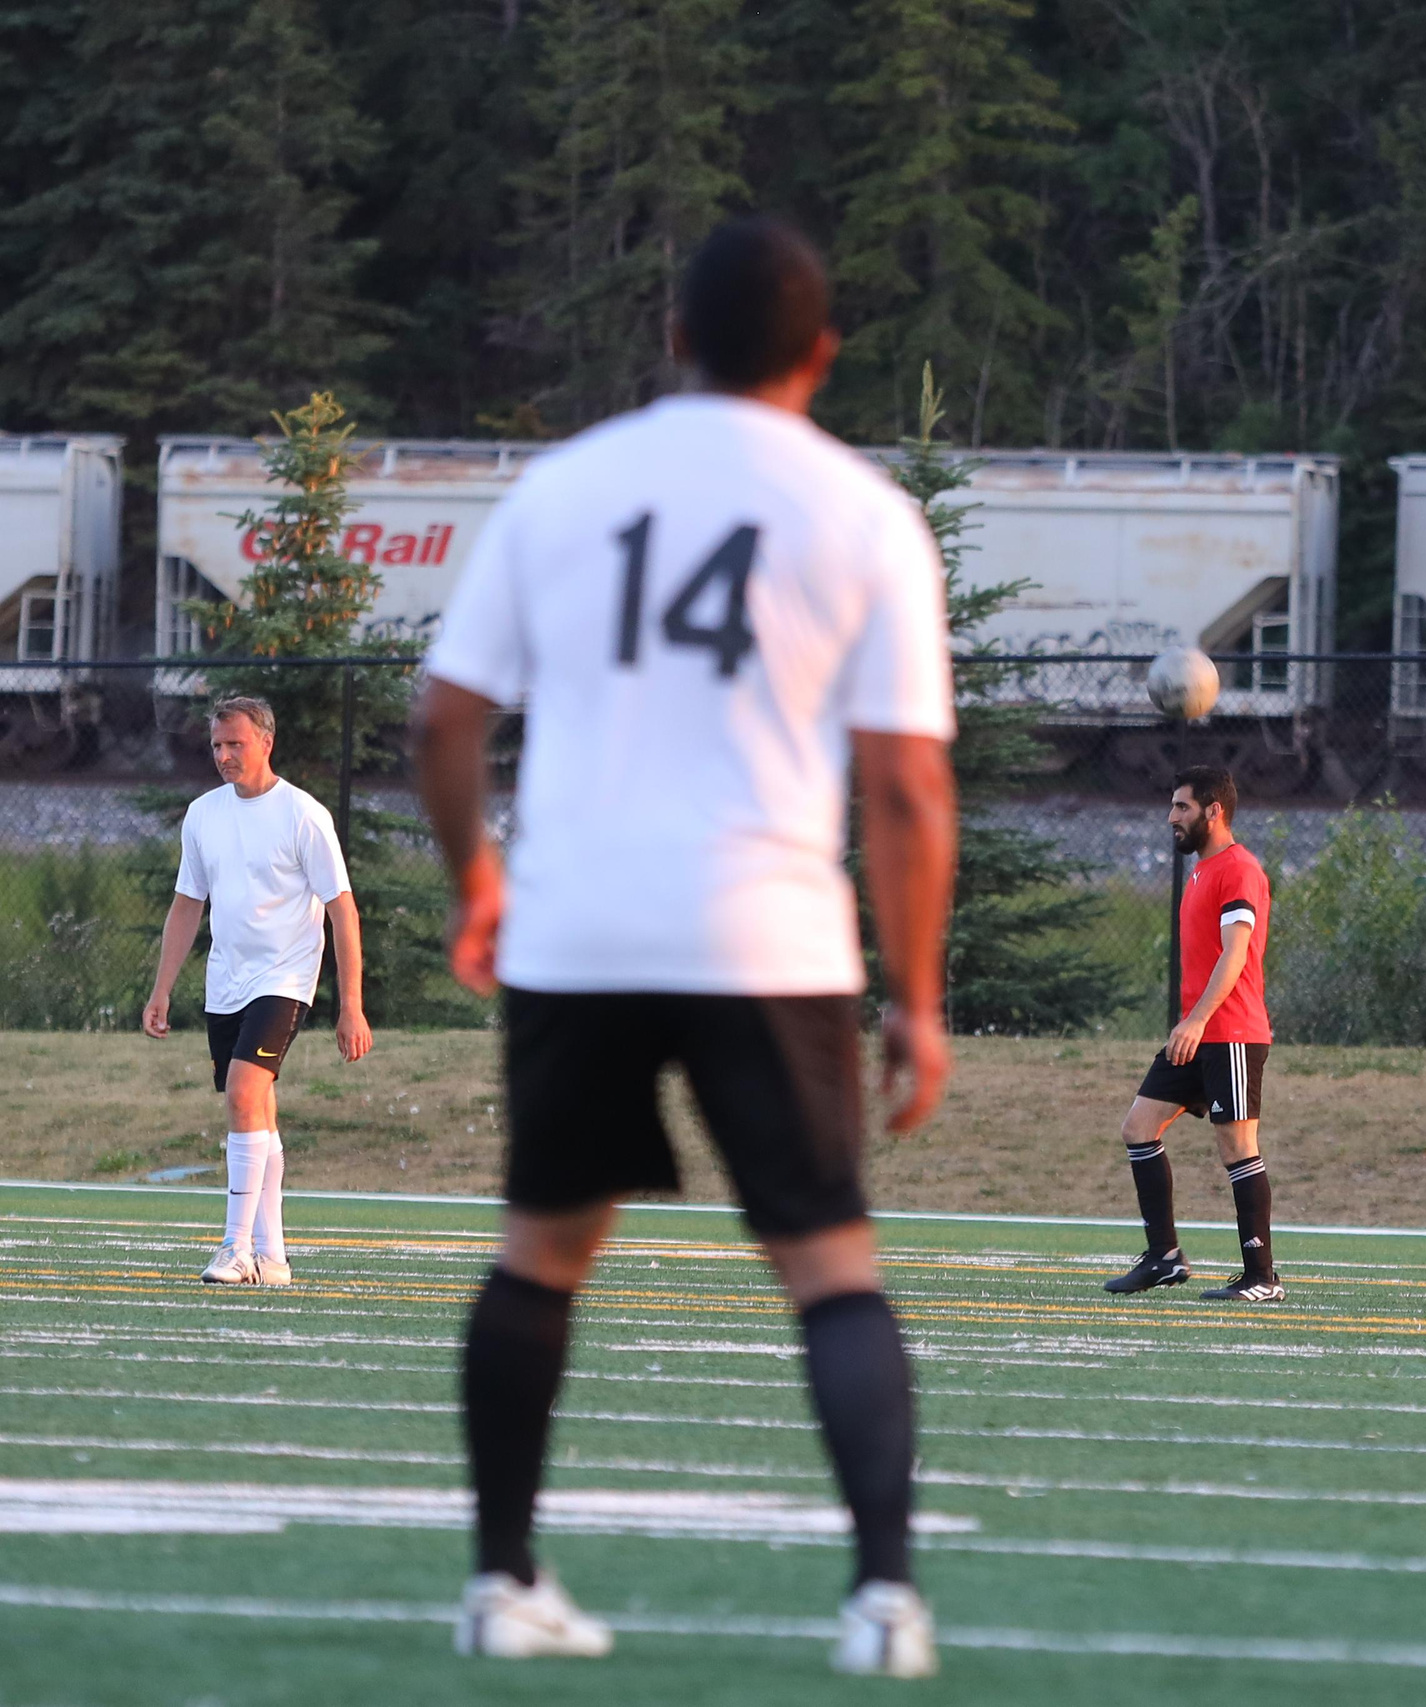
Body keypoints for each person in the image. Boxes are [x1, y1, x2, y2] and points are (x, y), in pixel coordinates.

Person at [412, 216, 960, 1673]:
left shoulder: (564, 486)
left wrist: (478, 878)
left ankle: (501, 1577)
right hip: (768, 927)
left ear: (672, 336)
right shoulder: (863, 513)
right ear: (823, 355)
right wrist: (918, 992)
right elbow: (907, 785)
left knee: (542, 1251)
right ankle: (885, 1597)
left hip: (580, 920)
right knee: (831, 1266)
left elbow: (445, 718)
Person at [142, 694, 372, 1286]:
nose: (224, 755)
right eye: (217, 745)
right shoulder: (203, 815)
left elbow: (341, 909)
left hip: (285, 979)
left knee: (243, 1093)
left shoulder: (303, 814)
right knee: (256, 1109)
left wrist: (351, 1007)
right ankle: (273, 1258)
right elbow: (188, 903)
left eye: (235, 744)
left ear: (266, 742)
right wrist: (161, 989)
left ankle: (234, 1247)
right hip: (226, 984)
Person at [1102, 766, 1283, 1302]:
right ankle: (1163, 1258)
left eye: (1181, 807)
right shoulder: (1203, 871)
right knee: (1139, 1127)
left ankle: (1261, 1277)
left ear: (1214, 811)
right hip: (1198, 1034)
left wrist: (1197, 1019)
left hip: (1229, 1032)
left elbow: (1236, 954)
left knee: (1237, 1146)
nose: (1171, 817)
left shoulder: (1238, 870)